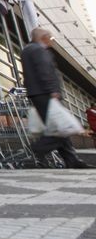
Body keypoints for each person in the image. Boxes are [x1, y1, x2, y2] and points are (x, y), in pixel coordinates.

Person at [21, 27, 90, 169]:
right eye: (51, 38)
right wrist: (52, 90)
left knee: (58, 126)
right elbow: (45, 70)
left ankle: (71, 159)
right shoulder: (39, 50)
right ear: (44, 37)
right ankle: (36, 149)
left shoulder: (26, 50)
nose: (52, 41)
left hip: (36, 93)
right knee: (58, 129)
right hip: (46, 93)